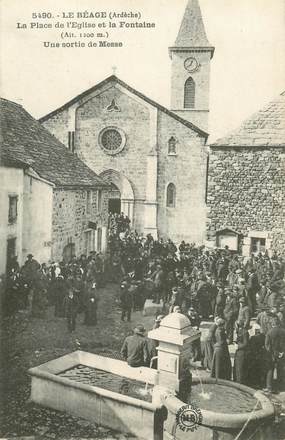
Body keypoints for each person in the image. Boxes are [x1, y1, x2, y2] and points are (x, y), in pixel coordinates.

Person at [264, 318, 285, 393]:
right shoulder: (283, 331)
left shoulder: (269, 332)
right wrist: (282, 352)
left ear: (272, 324)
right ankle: (281, 387)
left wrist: (271, 353)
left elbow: (267, 345)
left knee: (270, 369)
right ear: (278, 323)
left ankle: (269, 387)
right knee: (281, 369)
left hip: (272, 353)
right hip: (281, 353)